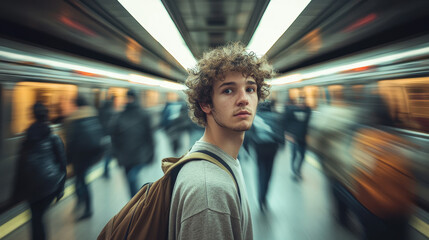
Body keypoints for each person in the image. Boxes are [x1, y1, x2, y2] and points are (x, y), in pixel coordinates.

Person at [168, 42, 274, 240]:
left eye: (250, 89)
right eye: (228, 90)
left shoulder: (223, 162)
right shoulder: (209, 192)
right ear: (206, 104)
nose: (244, 99)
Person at [14, 102, 66, 240]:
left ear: (33, 115)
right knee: (39, 217)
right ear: (47, 116)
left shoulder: (27, 137)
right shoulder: (54, 137)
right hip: (49, 184)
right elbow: (62, 163)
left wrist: (16, 193)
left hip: (31, 184)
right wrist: (60, 189)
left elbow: (21, 165)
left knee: (36, 218)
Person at [65, 95, 103, 220]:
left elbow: (71, 141)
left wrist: (68, 159)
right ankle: (82, 201)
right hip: (89, 155)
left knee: (81, 180)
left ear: (76, 105)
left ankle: (87, 208)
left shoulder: (73, 119)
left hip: (79, 156)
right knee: (81, 179)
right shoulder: (92, 115)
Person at [111, 89, 154, 197]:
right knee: (130, 181)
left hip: (131, 155)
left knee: (131, 179)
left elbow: (114, 137)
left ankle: (136, 203)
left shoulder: (120, 116)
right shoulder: (144, 114)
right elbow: (149, 137)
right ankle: (134, 205)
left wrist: (117, 154)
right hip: (135, 155)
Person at [244, 101, 284, 211]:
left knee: (261, 171)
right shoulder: (276, 117)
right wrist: (282, 144)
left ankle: (260, 198)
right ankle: (265, 196)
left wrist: (247, 149)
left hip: (259, 147)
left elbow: (247, 134)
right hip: (272, 147)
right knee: (269, 171)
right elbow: (281, 132)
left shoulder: (254, 117)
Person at [284, 95, 312, 181]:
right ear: (297, 103)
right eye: (299, 102)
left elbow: (307, 124)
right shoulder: (291, 110)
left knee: (303, 156)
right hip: (293, 137)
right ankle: (294, 172)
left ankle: (298, 170)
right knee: (294, 155)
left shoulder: (308, 111)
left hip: (303, 137)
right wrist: (287, 134)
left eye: (302, 102)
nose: (301, 104)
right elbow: (285, 122)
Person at [98, 95, 116, 178]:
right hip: (109, 136)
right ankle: (106, 171)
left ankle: (105, 171)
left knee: (106, 154)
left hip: (102, 135)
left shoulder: (101, 112)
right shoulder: (111, 112)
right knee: (108, 154)